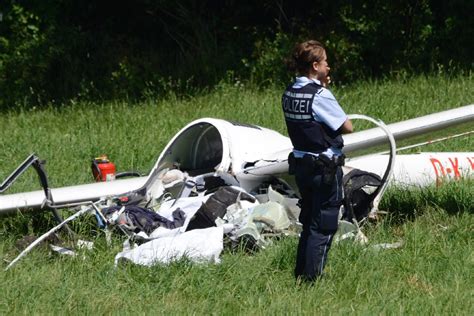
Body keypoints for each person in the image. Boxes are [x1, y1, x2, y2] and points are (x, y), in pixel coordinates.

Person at [282, 40, 353, 282]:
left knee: (309, 222)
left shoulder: (290, 91)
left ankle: (300, 275)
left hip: (302, 166)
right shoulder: (320, 95)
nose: (329, 67)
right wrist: (324, 88)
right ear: (315, 66)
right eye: (325, 62)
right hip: (324, 168)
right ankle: (311, 282)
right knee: (323, 225)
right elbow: (347, 126)